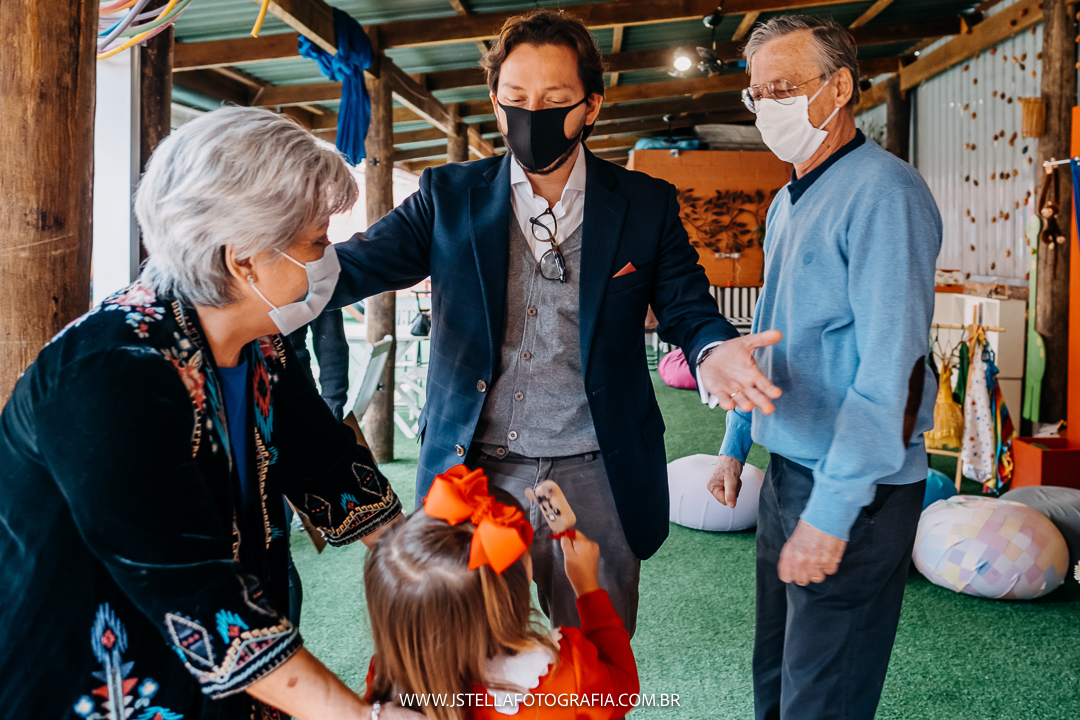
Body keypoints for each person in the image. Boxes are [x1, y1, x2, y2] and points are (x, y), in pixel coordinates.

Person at [331, 9, 782, 638]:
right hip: (475, 471)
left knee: (595, 661)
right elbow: (350, 268)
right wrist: (259, 279)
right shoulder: (447, 196)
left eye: (554, 99)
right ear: (494, 101)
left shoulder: (644, 204)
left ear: (592, 106)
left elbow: (687, 304)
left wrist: (713, 350)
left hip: (595, 470)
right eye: (514, 99)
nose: (530, 114)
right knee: (465, 659)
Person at [0, 107, 415, 720]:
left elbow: (324, 463)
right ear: (243, 258)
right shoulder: (110, 373)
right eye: (315, 243)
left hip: (237, 654)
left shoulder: (261, 346)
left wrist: (427, 564)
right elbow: (190, 584)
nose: (328, 260)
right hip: (99, 675)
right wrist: (358, 715)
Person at [706, 16, 941, 720]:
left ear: (839, 88)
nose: (767, 106)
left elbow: (894, 371)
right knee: (776, 679)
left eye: (783, 87)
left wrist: (833, 515)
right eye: (757, 94)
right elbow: (772, 334)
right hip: (788, 472)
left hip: (858, 490)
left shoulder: (885, 195)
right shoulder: (786, 200)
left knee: (823, 697)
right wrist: (736, 441)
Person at [362, 465, 639, 720]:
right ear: (511, 591)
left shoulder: (386, 678)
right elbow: (623, 688)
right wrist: (588, 589)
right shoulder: (563, 669)